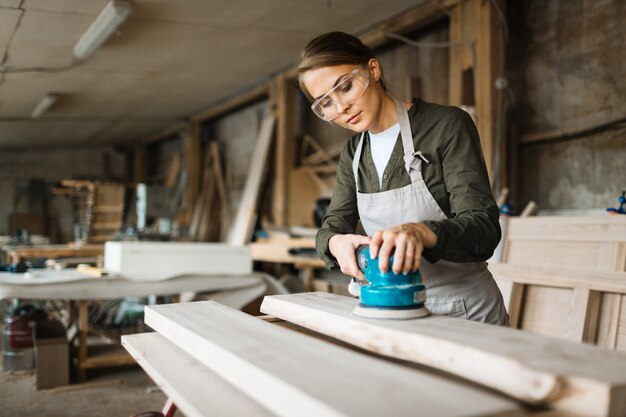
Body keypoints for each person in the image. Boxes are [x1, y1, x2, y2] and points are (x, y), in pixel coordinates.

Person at [297, 32, 508, 325]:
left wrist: (419, 232)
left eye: (344, 87)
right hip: (390, 312)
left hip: (461, 310)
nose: (341, 108)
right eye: (326, 103)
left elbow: (484, 230)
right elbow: (331, 226)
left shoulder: (445, 126)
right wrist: (334, 243)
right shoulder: (353, 152)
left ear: (372, 70)